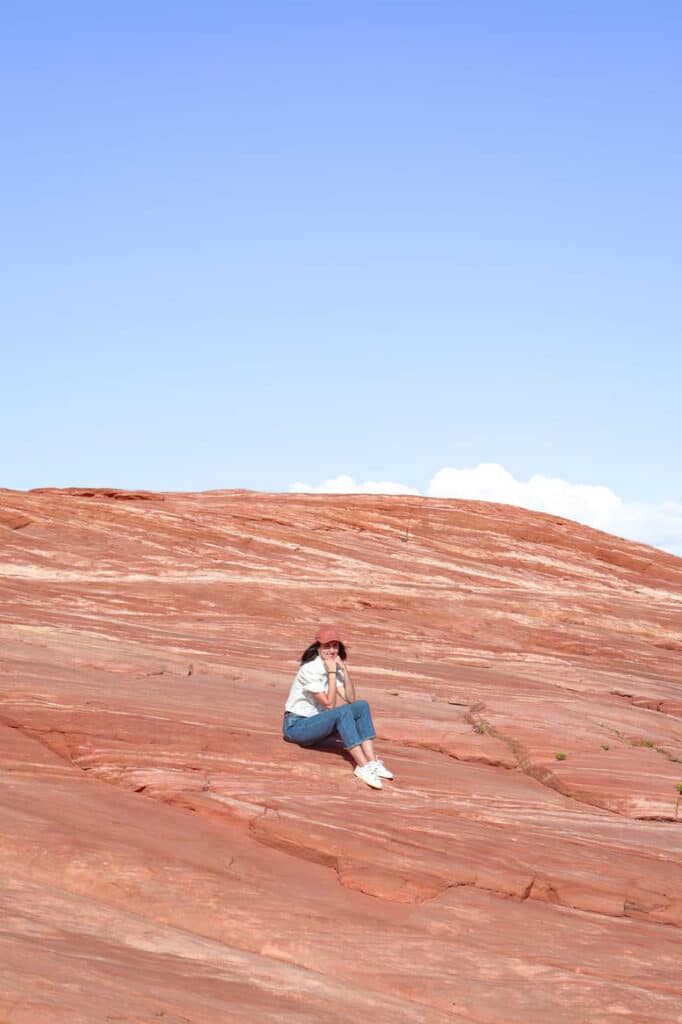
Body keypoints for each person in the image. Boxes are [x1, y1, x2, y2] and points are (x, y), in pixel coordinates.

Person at [282, 625, 394, 789]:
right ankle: (362, 767)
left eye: (335, 646)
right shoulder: (309, 670)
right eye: (327, 646)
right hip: (297, 727)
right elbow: (328, 703)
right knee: (341, 713)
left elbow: (350, 698)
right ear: (318, 647)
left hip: (317, 724)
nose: (332, 650)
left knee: (361, 706)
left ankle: (372, 763)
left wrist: (343, 669)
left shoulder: (333, 667)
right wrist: (332, 673)